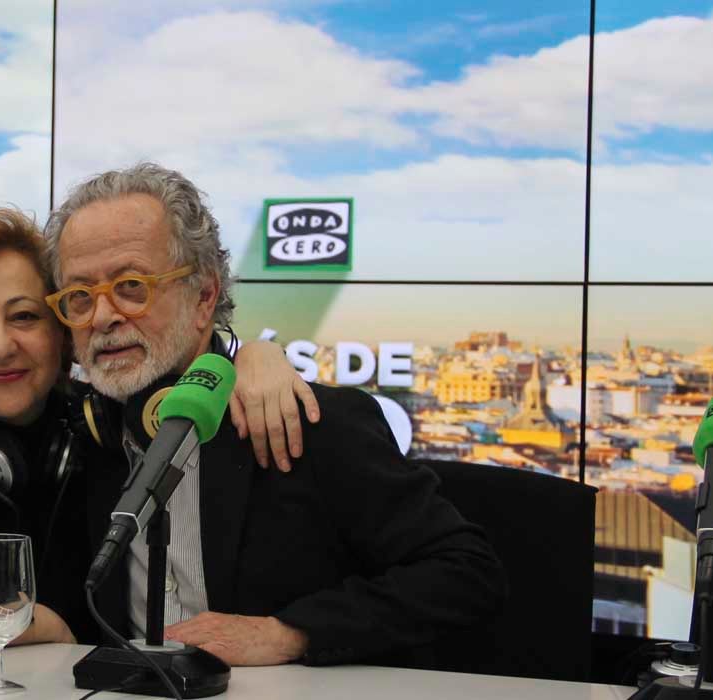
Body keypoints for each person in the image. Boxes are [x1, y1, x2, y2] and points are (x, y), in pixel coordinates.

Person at [43, 163, 507, 667]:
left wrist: (291, 632)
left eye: (132, 285)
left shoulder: (312, 421)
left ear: (204, 296)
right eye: (80, 296)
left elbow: (466, 572)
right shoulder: (80, 443)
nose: (103, 316)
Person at [0, 208, 318, 657]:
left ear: (64, 332)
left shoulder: (104, 425)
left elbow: (194, 365)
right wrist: (39, 624)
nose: (0, 346)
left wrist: (255, 358)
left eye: (25, 317)